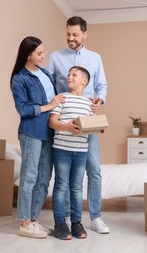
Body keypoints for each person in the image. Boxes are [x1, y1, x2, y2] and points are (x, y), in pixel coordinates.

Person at [47, 16, 109, 234]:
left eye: (74, 34)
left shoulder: (95, 58)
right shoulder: (55, 57)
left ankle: (96, 217)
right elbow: (49, 86)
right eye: (67, 34)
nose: (70, 38)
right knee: (63, 176)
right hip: (63, 118)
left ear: (84, 34)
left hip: (88, 117)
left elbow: (101, 85)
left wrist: (99, 100)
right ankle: (63, 220)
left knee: (94, 169)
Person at [10, 36, 65, 239]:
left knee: (44, 179)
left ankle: (33, 219)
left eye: (43, 52)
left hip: (49, 131)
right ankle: (24, 222)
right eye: (39, 53)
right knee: (29, 176)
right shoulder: (19, 78)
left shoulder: (45, 74)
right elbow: (23, 109)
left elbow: (57, 99)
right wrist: (49, 106)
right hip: (31, 131)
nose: (43, 56)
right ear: (28, 54)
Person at [49, 66, 92, 240]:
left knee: (76, 188)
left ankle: (76, 223)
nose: (69, 77)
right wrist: (67, 127)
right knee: (61, 187)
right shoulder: (62, 98)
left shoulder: (89, 103)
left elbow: (89, 125)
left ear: (84, 81)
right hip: (62, 149)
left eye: (74, 75)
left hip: (81, 151)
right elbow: (52, 122)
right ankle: (60, 224)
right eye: (68, 74)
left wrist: (96, 128)